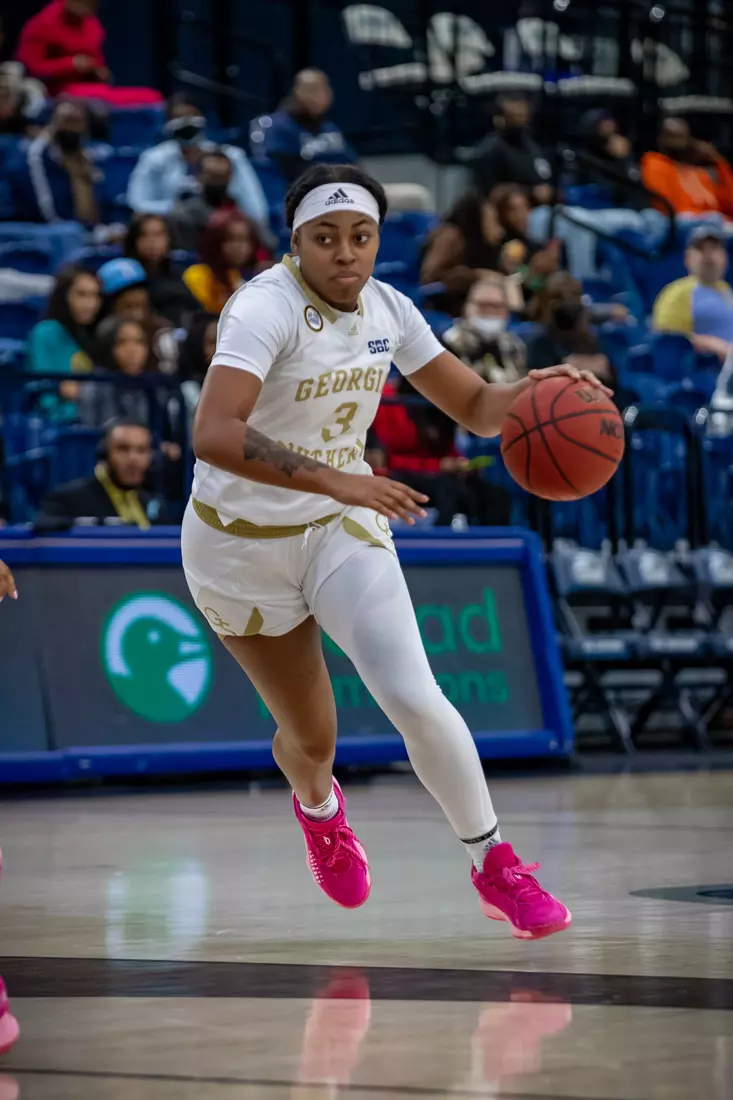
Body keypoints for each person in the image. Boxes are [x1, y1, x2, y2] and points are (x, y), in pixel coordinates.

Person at [183, 162, 610, 936]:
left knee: (414, 696)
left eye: (360, 237)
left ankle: (494, 865)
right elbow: (212, 433)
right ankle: (320, 810)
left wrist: (540, 391)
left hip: (339, 532)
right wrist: (337, 481)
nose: (345, 254)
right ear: (297, 241)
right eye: (325, 239)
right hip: (240, 547)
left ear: (377, 239)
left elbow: (477, 408)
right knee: (312, 741)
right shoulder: (260, 308)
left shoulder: (389, 308)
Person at [371, 373, 511, 527]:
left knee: (497, 496)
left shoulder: (443, 406)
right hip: (401, 474)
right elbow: (388, 460)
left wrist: (460, 464)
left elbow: (447, 449)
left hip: (440, 473)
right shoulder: (391, 402)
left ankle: (490, 547)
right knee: (447, 490)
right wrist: (438, 466)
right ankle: (441, 543)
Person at [127, 94, 268, 229]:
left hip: (223, 233)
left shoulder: (231, 156)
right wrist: (177, 210)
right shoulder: (153, 158)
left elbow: (255, 209)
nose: (186, 122)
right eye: (178, 117)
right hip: (171, 231)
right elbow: (137, 204)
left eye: (191, 115)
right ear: (167, 124)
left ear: (203, 118)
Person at [15, 0, 161, 105]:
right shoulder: (41, 24)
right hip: (55, 91)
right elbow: (30, 67)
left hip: (89, 88)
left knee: (151, 96)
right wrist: (70, 64)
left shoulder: (92, 23)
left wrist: (99, 71)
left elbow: (96, 60)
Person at [34, 419, 169, 531]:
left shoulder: (156, 507)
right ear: (104, 454)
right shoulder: (69, 500)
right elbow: (41, 526)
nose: (133, 458)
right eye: (123, 449)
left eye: (141, 450)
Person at [4, 98, 111, 225]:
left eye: (78, 122)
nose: (72, 128)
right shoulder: (35, 159)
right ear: (54, 124)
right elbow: (48, 213)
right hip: (52, 230)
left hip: (88, 230)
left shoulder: (89, 158)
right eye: (67, 121)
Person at [252, 69, 358, 184]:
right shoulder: (279, 126)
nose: (321, 95)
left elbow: (354, 164)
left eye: (325, 88)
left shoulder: (329, 127)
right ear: (297, 92)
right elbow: (292, 174)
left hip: (337, 190)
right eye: (312, 90)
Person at [652, 225, 733, 360]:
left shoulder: (726, 289)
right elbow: (668, 340)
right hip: (706, 369)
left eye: (714, 248)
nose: (709, 255)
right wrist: (715, 345)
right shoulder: (676, 292)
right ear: (687, 257)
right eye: (701, 249)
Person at [526, 272, 614, 383]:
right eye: (561, 296)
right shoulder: (539, 343)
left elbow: (610, 380)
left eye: (575, 295)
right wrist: (568, 363)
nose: (570, 302)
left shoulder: (590, 340)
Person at [97, 257, 179, 374]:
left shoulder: (162, 330)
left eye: (142, 306)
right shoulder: (103, 332)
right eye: (128, 307)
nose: (137, 314)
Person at [183, 209, 272, 315]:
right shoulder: (197, 274)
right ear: (215, 241)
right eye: (230, 239)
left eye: (244, 240)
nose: (239, 246)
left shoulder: (249, 276)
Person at [641, 117, 733, 219]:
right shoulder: (655, 163)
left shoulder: (700, 173)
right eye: (672, 137)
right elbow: (666, 207)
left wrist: (719, 161)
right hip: (685, 222)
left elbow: (730, 203)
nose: (678, 143)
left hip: (716, 223)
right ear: (661, 139)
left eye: (682, 137)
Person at [442, 275, 527, 384]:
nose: (490, 312)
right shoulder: (449, 341)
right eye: (483, 305)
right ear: (467, 308)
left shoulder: (514, 345)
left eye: (497, 306)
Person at [472, 95, 553, 205]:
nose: (520, 122)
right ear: (500, 119)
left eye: (523, 116)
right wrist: (530, 191)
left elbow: (545, 176)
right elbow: (488, 193)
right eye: (514, 117)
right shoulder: (489, 150)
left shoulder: (534, 147)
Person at [124, 213, 198, 327]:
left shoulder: (179, 273)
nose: (151, 241)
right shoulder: (127, 276)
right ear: (134, 240)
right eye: (144, 235)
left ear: (168, 239)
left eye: (158, 235)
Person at [27, 264, 101, 376]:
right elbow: (46, 386)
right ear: (63, 296)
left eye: (95, 295)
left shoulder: (89, 333)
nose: (90, 304)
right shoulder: (46, 332)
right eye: (81, 294)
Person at [169, 149, 241, 253]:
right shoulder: (182, 215)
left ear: (230, 176)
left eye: (222, 175)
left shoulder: (241, 210)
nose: (217, 181)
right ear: (198, 176)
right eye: (212, 175)